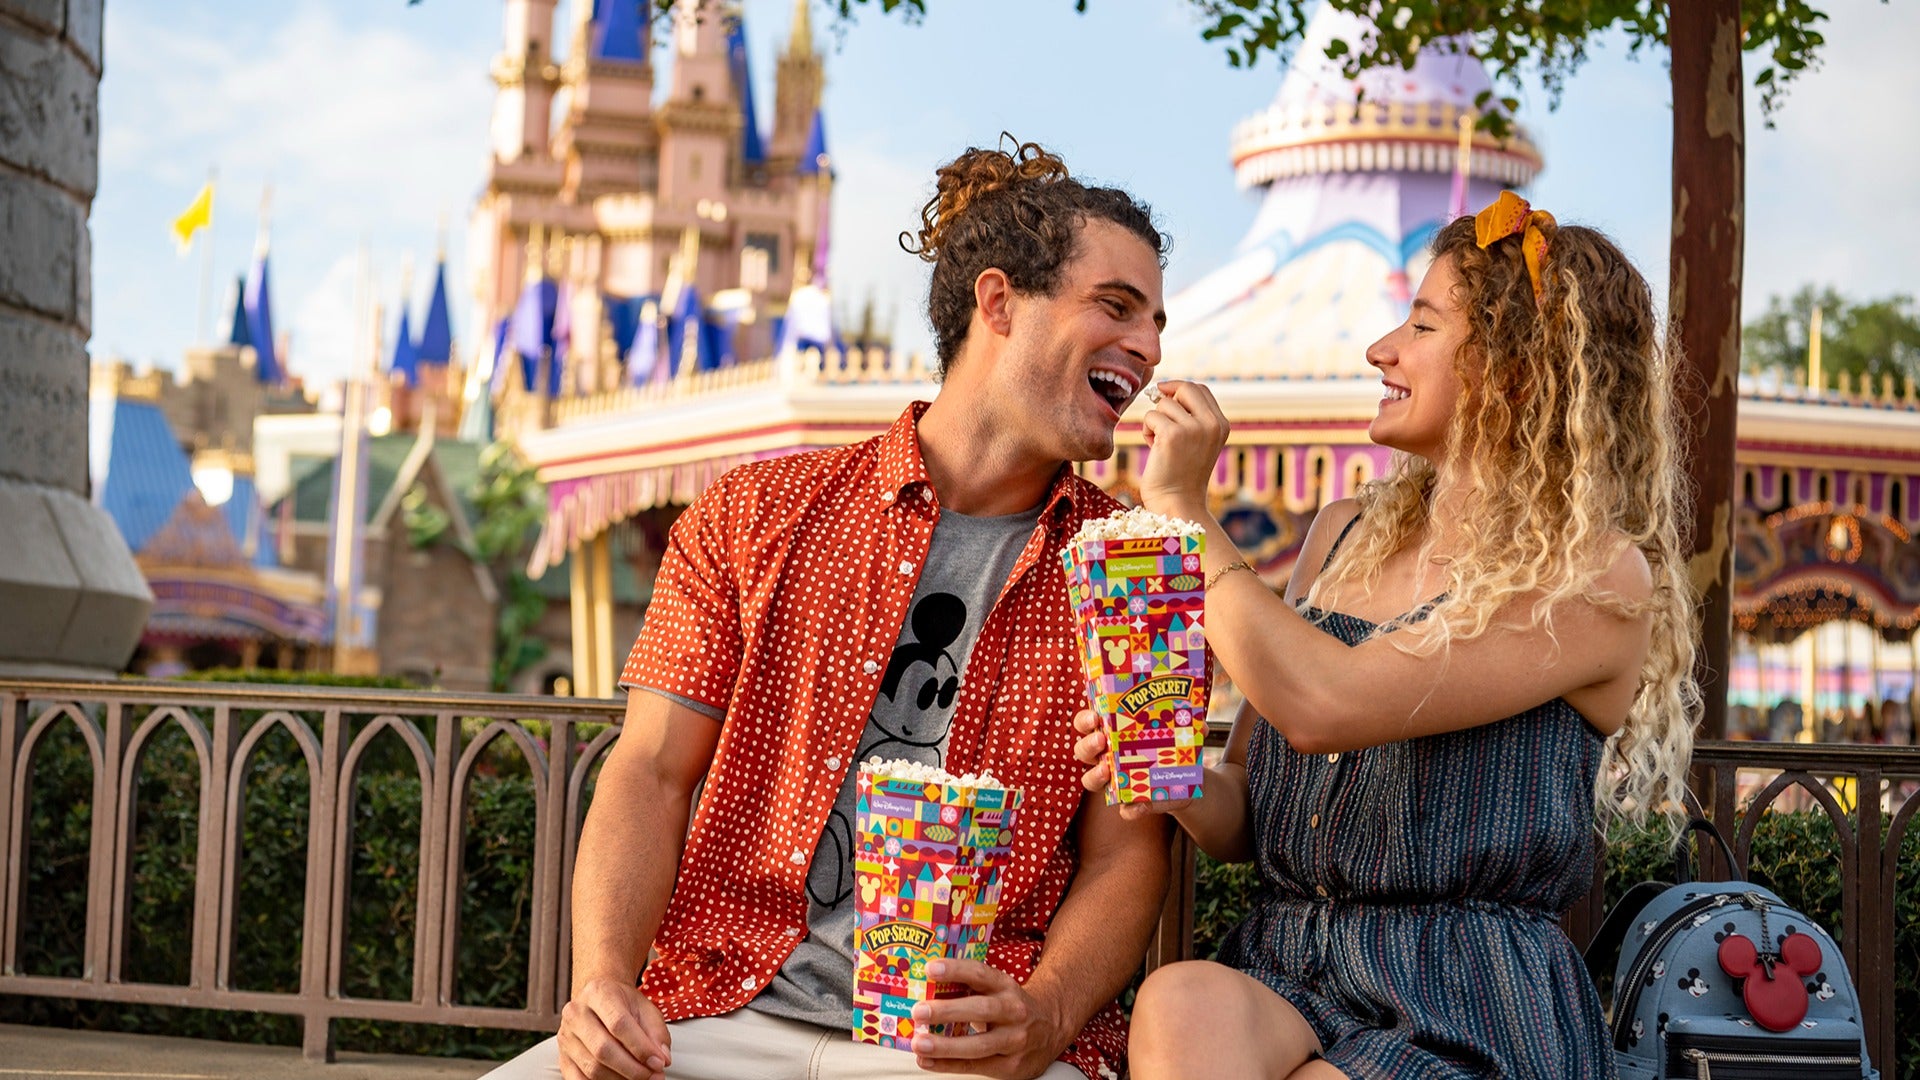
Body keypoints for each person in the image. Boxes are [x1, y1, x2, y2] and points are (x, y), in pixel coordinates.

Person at [486, 138, 1172, 1080]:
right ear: (1000, 304)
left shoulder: (1133, 569)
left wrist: (1047, 1016)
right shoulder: (754, 513)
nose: (1150, 348)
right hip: (714, 1014)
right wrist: (603, 985)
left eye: (1157, 323)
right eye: (1116, 306)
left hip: (964, 1043)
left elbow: (1125, 857)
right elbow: (648, 771)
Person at [1080, 192, 1700, 1078]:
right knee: (1182, 1001)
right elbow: (1248, 807)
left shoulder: (1592, 576)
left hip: (1465, 1000)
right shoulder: (1343, 534)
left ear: (1516, 370)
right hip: (1291, 967)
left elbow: (1323, 703)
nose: (1383, 349)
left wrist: (1183, 511)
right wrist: (1169, 777)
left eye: (1422, 325)